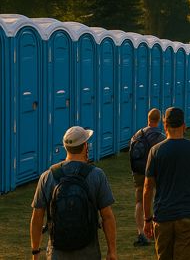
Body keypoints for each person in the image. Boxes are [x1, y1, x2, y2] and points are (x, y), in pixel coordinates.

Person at [30, 126, 117, 260]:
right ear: (85, 146)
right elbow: (107, 216)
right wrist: (112, 251)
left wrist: (35, 252)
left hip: (57, 252)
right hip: (89, 251)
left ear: (65, 147)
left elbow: (37, 218)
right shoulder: (97, 175)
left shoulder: (48, 176)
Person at [143, 107, 190, 260]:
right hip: (186, 216)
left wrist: (147, 219)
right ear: (184, 126)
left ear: (165, 125)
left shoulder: (155, 151)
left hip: (162, 217)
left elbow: (148, 188)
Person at [130, 108, 166, 246]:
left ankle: (141, 232)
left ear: (148, 119)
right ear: (159, 120)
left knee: (139, 201)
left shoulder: (137, 135)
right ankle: (157, 228)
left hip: (139, 171)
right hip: (155, 172)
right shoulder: (160, 137)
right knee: (159, 197)